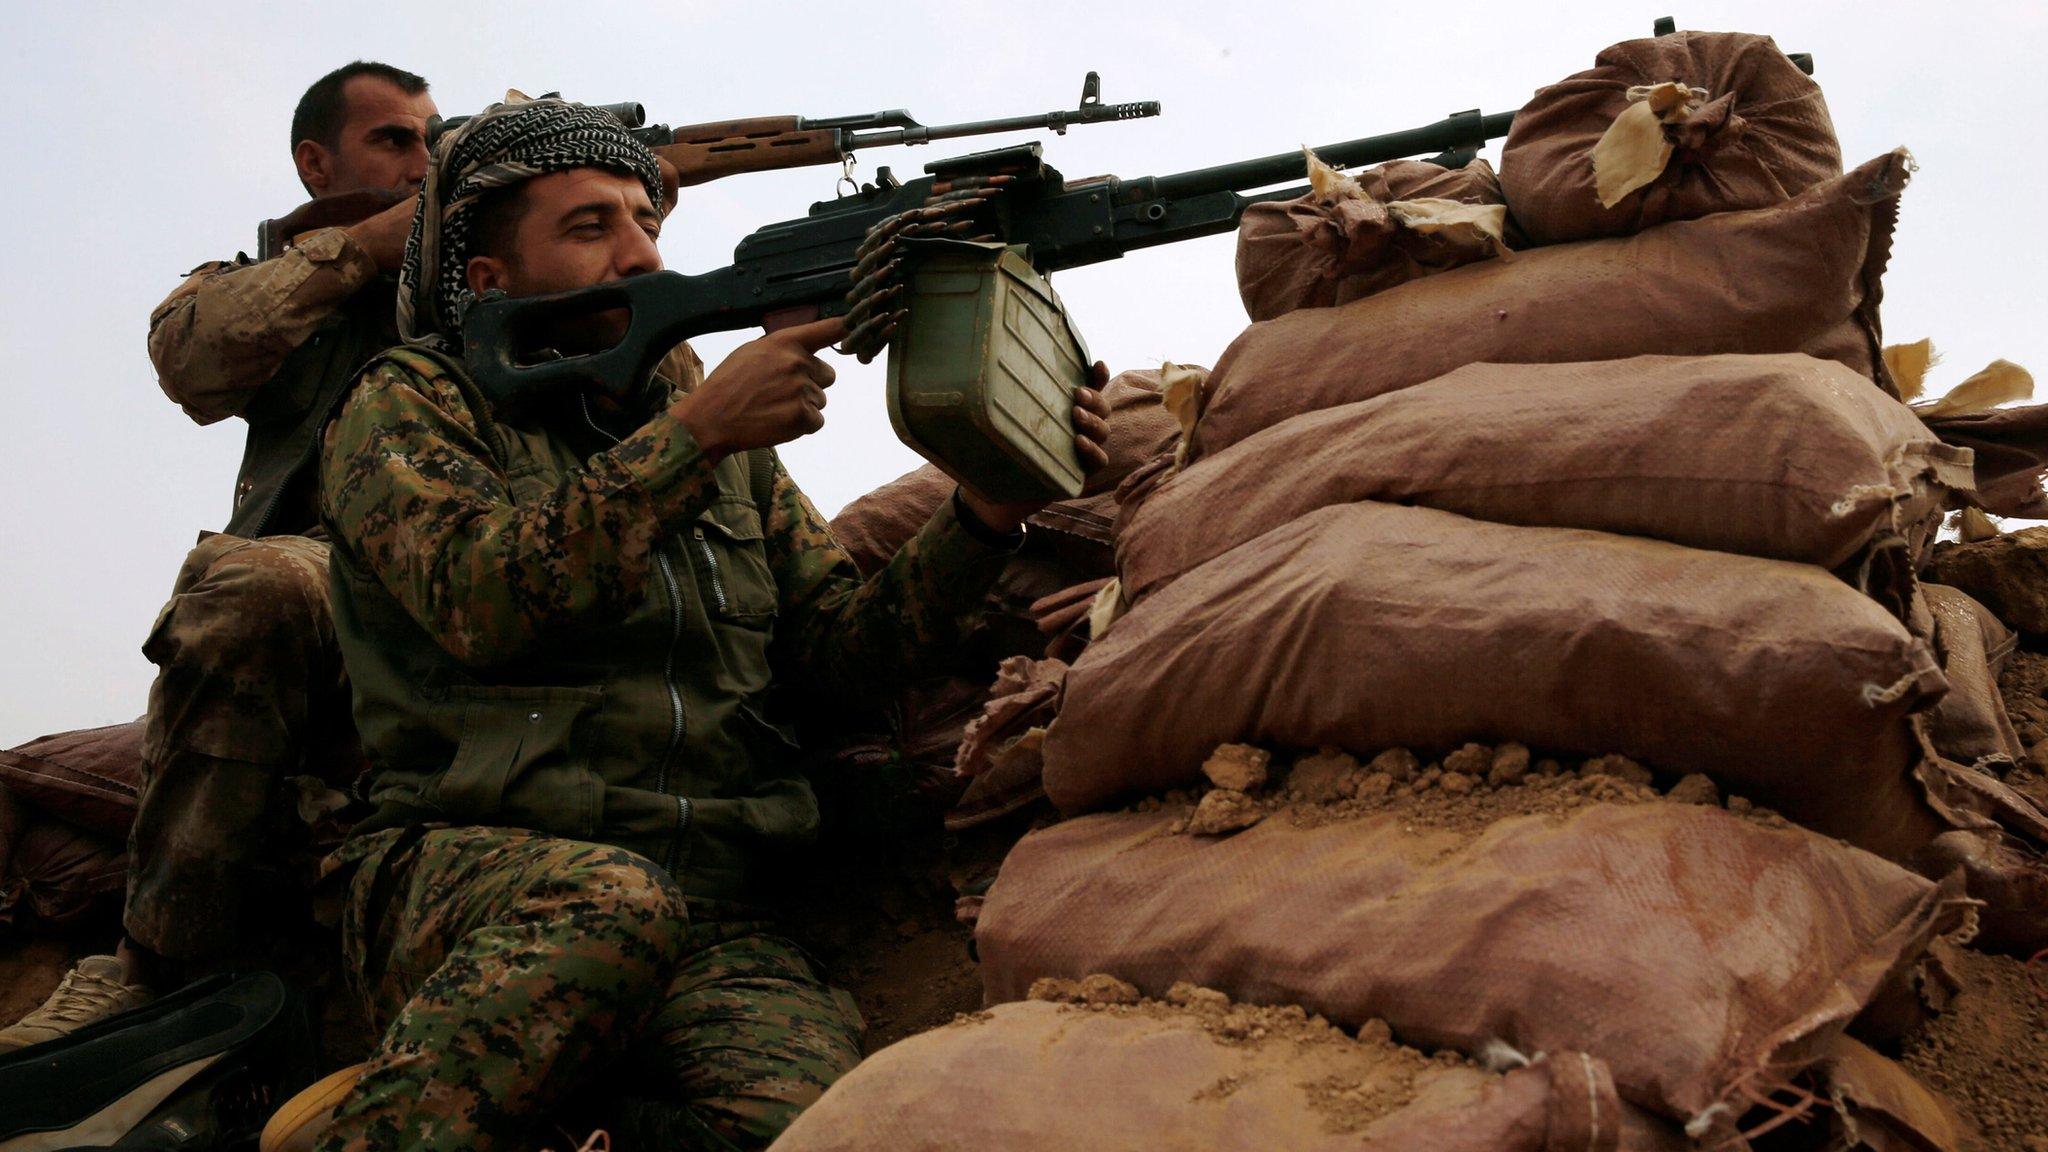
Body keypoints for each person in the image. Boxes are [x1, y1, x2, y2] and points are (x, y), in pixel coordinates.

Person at [305, 95, 1112, 1152]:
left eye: (646, 223)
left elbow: (835, 655)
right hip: (472, 870)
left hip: (713, 909)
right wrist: (692, 439)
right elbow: (480, 599)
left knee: (801, 1128)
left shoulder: (712, 432)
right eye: (589, 228)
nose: (640, 257)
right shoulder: (413, 401)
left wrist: (983, 511)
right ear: (487, 280)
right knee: (608, 902)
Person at [0, 62, 436, 1053]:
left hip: (500, 549)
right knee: (246, 585)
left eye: (433, 139)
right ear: (316, 163)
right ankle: (151, 970)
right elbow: (192, 353)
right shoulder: (283, 277)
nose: (422, 160)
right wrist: (370, 248)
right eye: (393, 141)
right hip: (346, 577)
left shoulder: (502, 253)